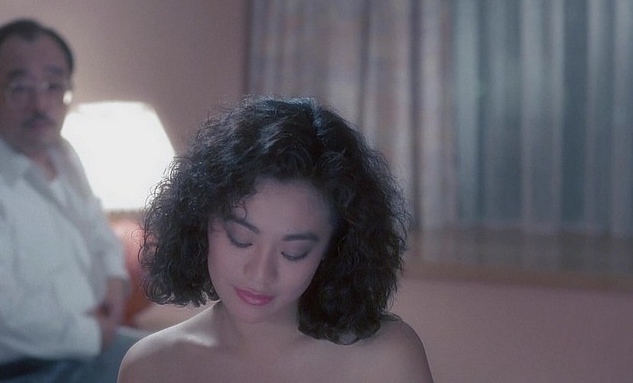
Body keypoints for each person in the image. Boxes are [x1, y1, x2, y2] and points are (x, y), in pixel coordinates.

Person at [118, 96, 433, 383]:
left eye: (294, 252)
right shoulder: (150, 367)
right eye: (241, 239)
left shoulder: (387, 359)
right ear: (200, 220)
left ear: (333, 249)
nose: (260, 273)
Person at [0, 18, 140, 382]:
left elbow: (99, 233)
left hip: (81, 352)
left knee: (201, 362)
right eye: (20, 88)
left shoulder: (62, 155)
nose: (40, 104)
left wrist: (115, 282)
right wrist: (94, 335)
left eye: (54, 86)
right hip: (14, 373)